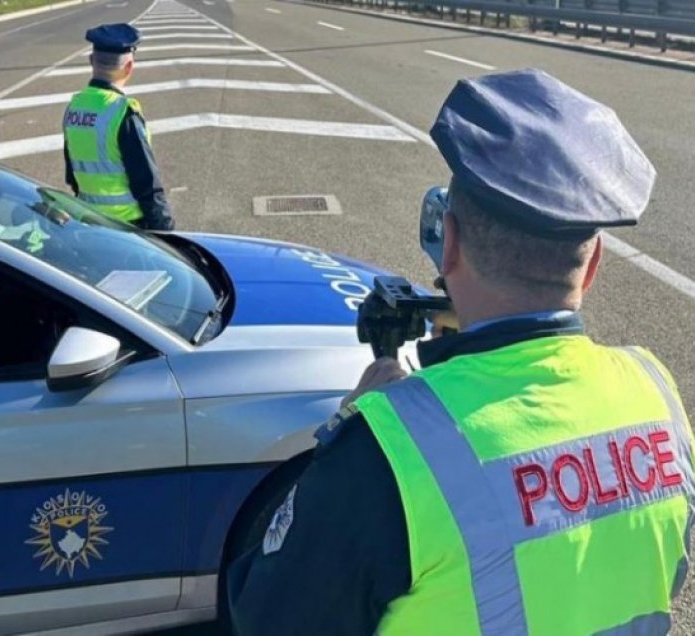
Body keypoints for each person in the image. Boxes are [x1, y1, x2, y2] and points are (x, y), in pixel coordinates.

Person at [226, 69, 695, 636]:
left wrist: (343, 430)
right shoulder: (657, 395)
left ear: (447, 243)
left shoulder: (386, 452)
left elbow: (265, 617)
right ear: (593, 264)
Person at [63, 23, 174, 231]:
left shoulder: (73, 108)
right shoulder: (122, 112)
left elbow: (73, 176)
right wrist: (165, 230)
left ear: (91, 61)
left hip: (90, 222)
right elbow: (147, 184)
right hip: (128, 227)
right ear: (129, 67)